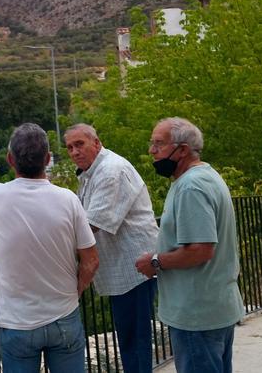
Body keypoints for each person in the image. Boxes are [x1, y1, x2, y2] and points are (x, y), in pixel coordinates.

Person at [0, 123, 99, 373]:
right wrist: (76, 290)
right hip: (64, 316)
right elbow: (91, 260)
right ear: (48, 159)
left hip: (17, 322)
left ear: (10, 159)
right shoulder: (68, 200)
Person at [135, 118, 243, 373]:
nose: (152, 150)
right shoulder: (204, 177)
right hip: (213, 308)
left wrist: (155, 261)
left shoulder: (191, 187)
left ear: (182, 149)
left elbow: (201, 249)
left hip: (197, 315)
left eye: (159, 144)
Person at [65, 123, 160, 373]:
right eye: (69, 147)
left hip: (135, 268)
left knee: (135, 338)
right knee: (129, 337)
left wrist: (52, 244)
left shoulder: (111, 171)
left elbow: (90, 224)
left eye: (79, 144)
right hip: (123, 270)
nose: (74, 152)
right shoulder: (91, 173)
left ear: (96, 143)